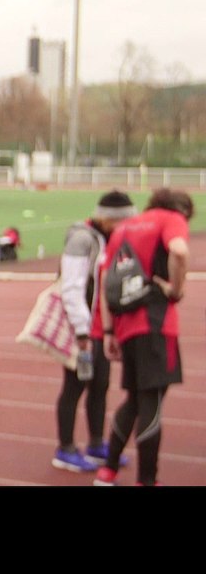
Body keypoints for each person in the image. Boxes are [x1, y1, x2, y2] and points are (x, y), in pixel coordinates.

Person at [94, 188, 193, 486]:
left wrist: (109, 330)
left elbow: (105, 280)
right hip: (156, 324)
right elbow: (178, 250)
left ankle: (108, 470)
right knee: (151, 400)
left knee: (135, 399)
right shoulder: (171, 219)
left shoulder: (123, 227)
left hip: (125, 325)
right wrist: (176, 288)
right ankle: (146, 479)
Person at [50, 190, 136, 474]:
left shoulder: (107, 240)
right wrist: (82, 331)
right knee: (74, 387)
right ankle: (65, 449)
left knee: (99, 385)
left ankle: (97, 444)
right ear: (111, 220)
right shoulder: (82, 239)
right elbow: (71, 287)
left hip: (101, 329)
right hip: (83, 330)